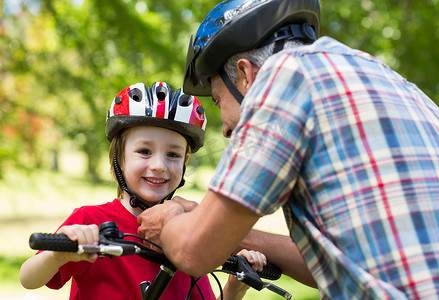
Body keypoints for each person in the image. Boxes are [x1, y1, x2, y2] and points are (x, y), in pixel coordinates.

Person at [136, 0, 439, 299]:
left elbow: (194, 251)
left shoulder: (285, 79)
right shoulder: (395, 84)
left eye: (219, 101)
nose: (226, 129)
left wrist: (170, 221)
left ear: (247, 76)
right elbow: (338, 267)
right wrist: (213, 223)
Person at [19, 82, 268, 300]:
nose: (159, 166)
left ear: (185, 162)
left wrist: (236, 288)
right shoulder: (90, 222)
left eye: (173, 154)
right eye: (144, 151)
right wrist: (58, 255)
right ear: (119, 158)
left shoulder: (187, 232)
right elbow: (28, 278)